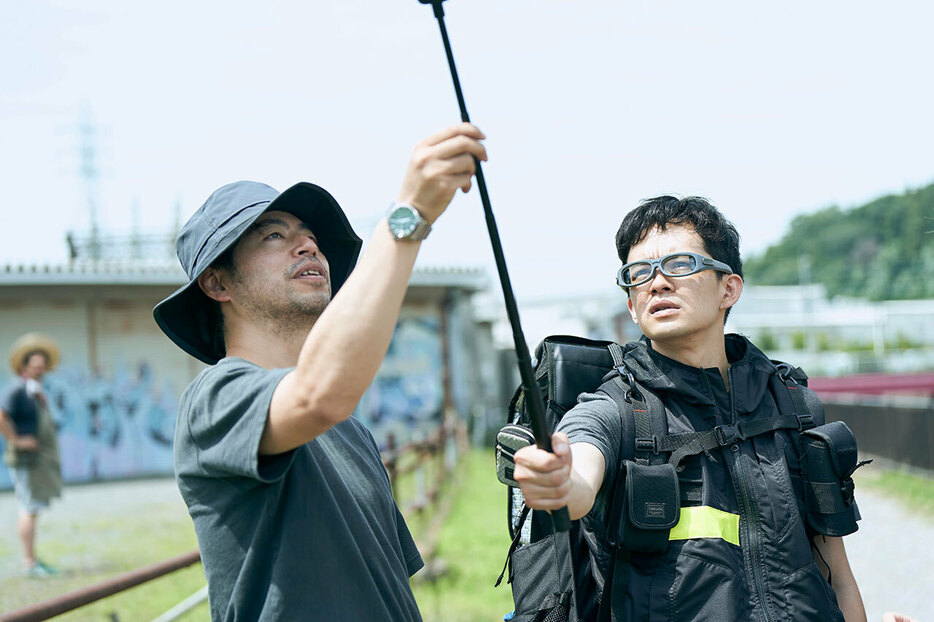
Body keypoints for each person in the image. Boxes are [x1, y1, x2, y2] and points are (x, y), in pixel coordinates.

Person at [152, 123, 486, 621]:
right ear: (217, 282)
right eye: (274, 235)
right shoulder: (215, 398)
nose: (308, 246)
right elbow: (318, 394)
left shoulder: (349, 428)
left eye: (312, 239)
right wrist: (408, 218)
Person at [512, 196, 868, 621]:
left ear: (728, 288)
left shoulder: (792, 405)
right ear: (631, 305)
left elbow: (838, 576)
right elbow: (578, 474)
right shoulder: (616, 410)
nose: (657, 283)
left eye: (680, 264)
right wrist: (558, 480)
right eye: (638, 274)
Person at [0, 332, 64, 578]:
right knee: (28, 507)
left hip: (37, 460)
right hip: (24, 460)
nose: (40, 369)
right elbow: (1, 416)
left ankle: (33, 559)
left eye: (42, 366)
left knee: (33, 508)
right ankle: (29, 562)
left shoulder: (35, 392)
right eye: (35, 366)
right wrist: (16, 440)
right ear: (23, 367)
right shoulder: (16, 389)